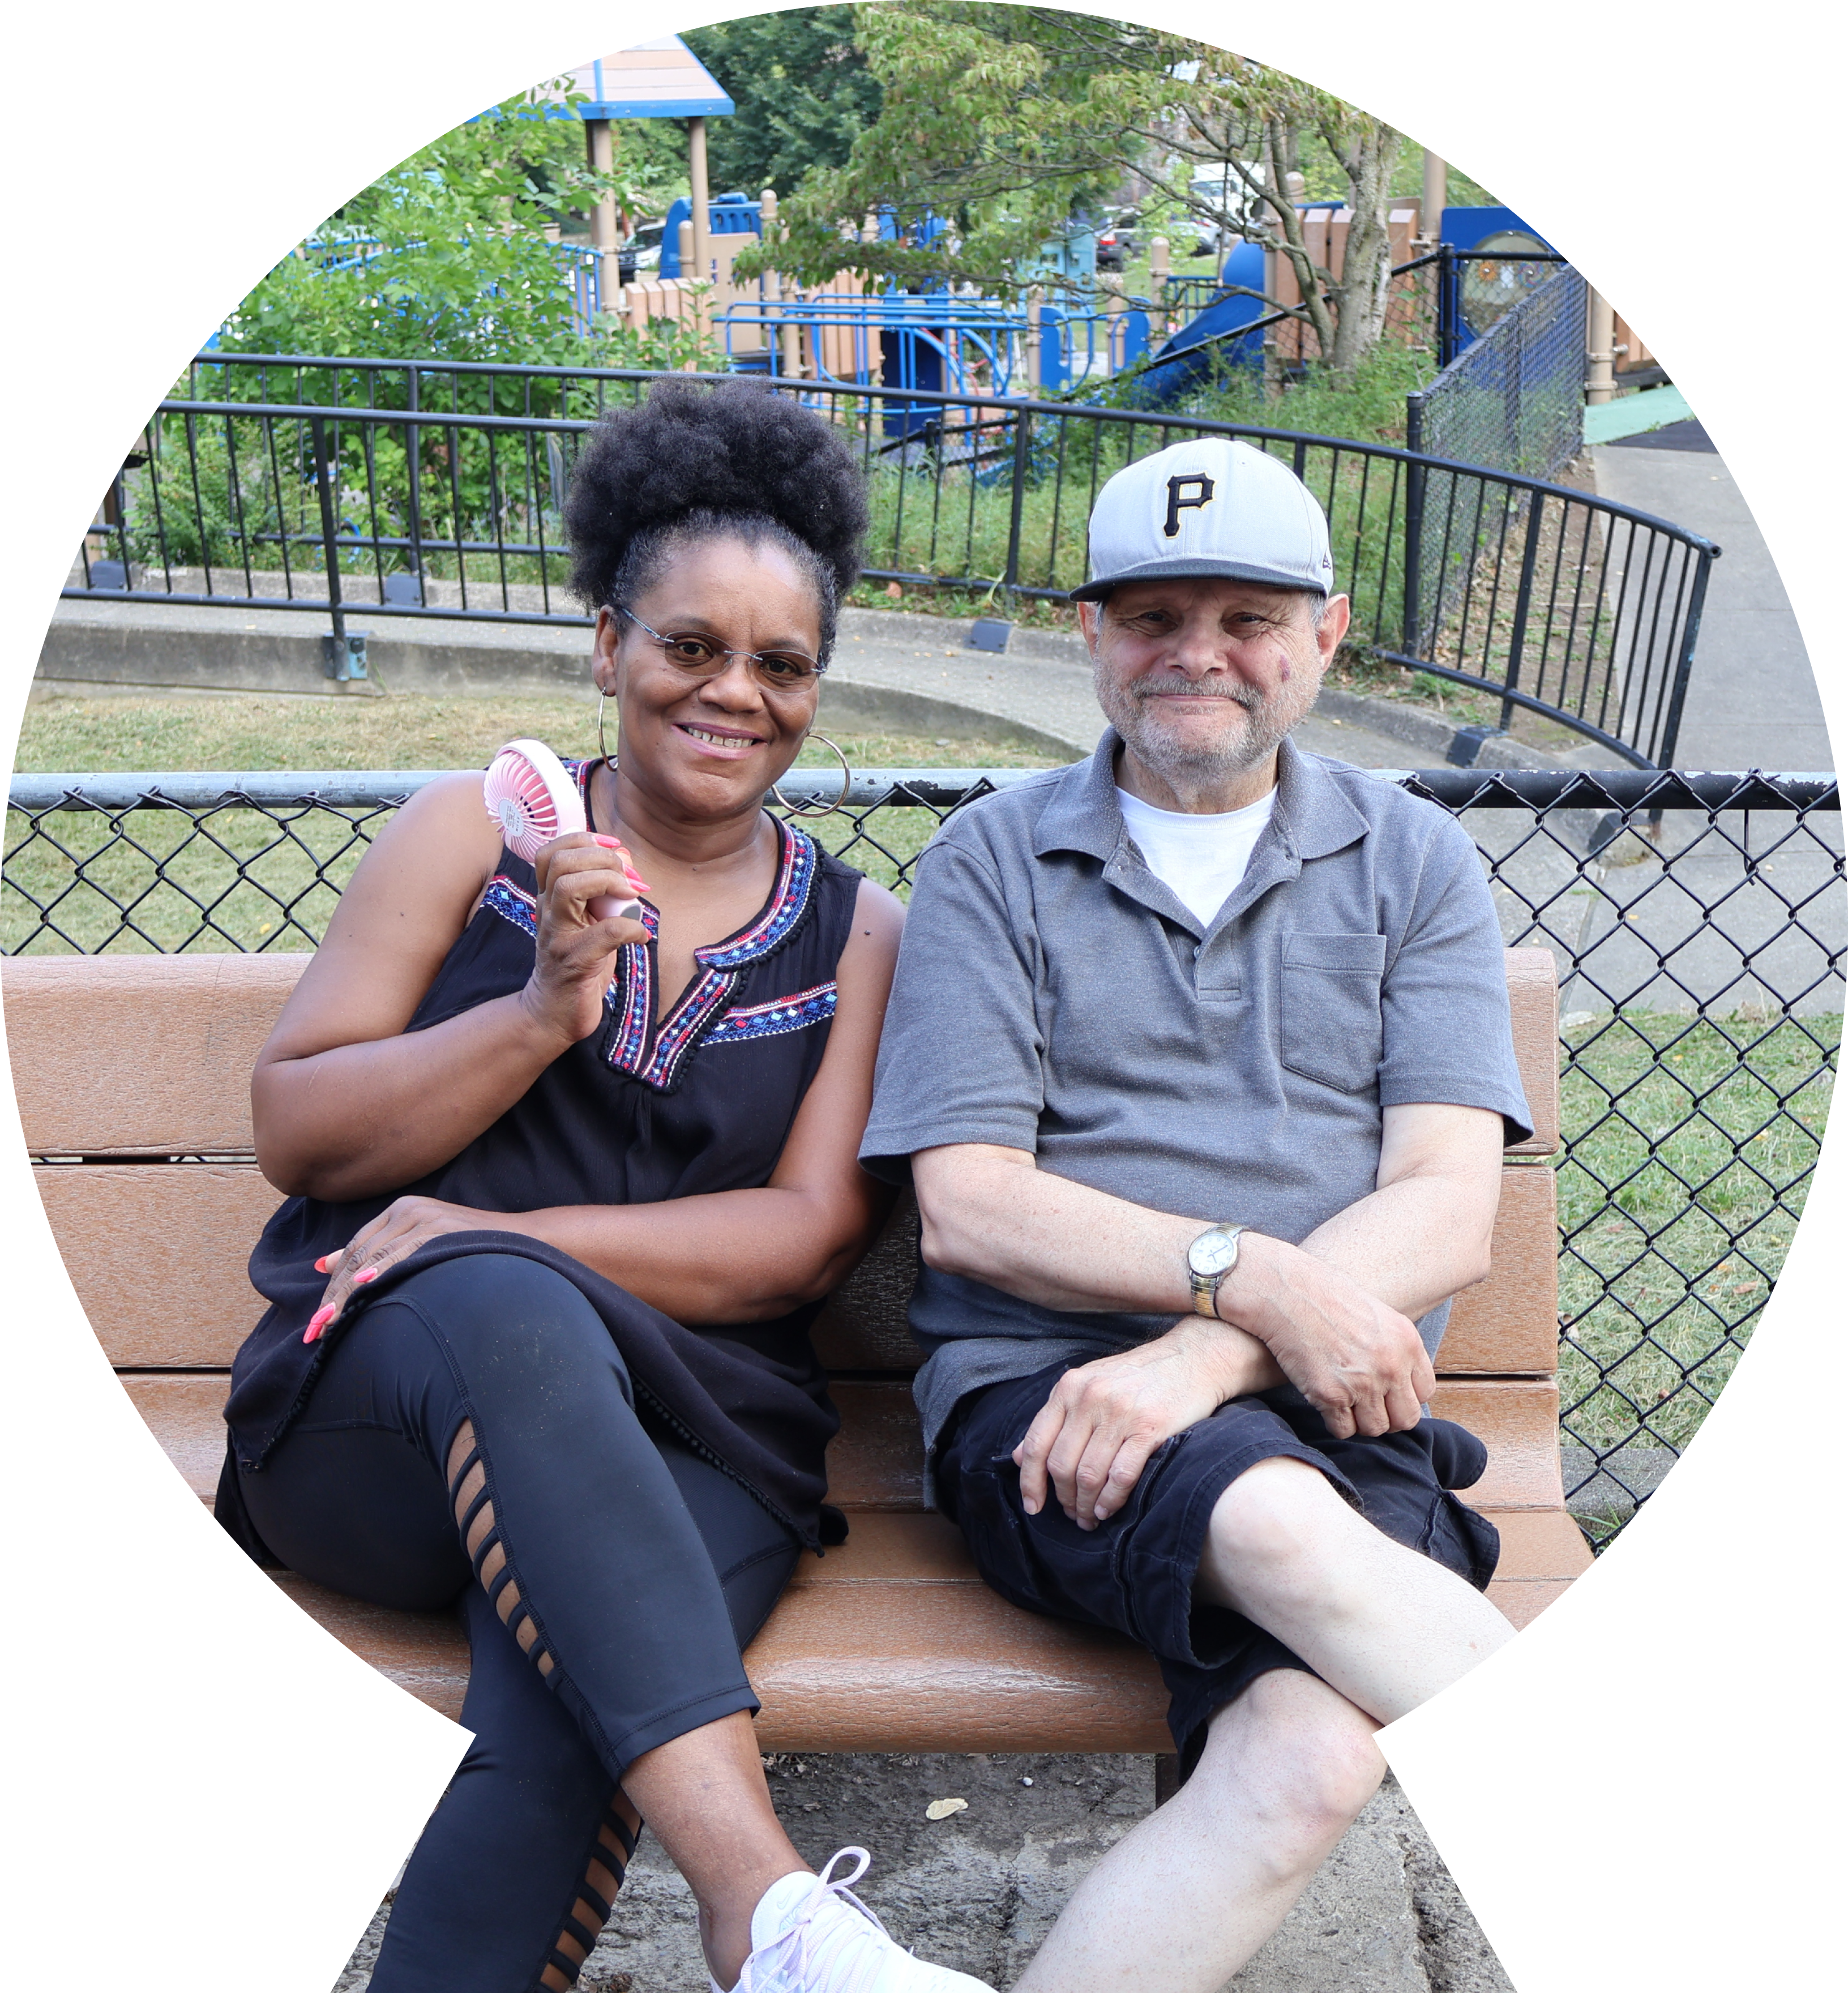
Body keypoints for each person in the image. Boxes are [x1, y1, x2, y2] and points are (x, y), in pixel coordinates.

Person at [215, 379, 996, 1993]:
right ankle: (769, 1909)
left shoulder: (864, 937)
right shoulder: (467, 842)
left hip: (703, 1435)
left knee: (561, 1734)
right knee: (496, 1305)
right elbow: (298, 1134)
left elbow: (797, 1243)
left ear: (818, 691)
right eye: (689, 645)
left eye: (781, 664)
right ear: (606, 646)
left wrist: (500, 1228)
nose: (733, 692)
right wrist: (539, 1011)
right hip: (381, 1417)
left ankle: (770, 1934)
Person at [858, 437, 1534, 1993]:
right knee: (1282, 1523)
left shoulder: (1414, 858)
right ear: (1091, 635)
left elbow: (1446, 1206)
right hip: (1049, 1408)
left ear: (1326, 634)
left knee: (1305, 1772)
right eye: (1154, 615)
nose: (1198, 655)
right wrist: (1259, 1297)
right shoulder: (993, 861)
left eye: (1246, 615)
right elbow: (967, 1206)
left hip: (1342, 1397)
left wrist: (1206, 1351)